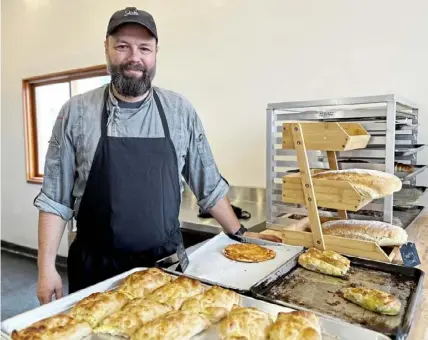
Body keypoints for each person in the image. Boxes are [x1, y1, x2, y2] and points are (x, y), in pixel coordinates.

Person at [34, 7, 281, 305]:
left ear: (155, 54)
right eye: (123, 46)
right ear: (107, 49)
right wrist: (46, 268)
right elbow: (54, 200)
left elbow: (208, 185)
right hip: (95, 270)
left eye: (144, 48)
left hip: (164, 268)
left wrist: (242, 234)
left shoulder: (179, 111)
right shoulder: (75, 112)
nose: (133, 57)